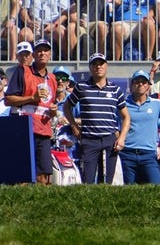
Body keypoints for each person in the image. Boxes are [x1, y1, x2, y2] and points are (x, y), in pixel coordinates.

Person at [64, 53, 129, 184]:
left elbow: (126, 117)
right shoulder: (81, 87)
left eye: (101, 64)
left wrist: (121, 138)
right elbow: (67, 107)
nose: (98, 67)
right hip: (89, 139)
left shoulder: (115, 89)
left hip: (110, 140)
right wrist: (74, 126)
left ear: (106, 66)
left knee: (107, 181)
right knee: (87, 180)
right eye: (95, 64)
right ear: (90, 67)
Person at [4, 38, 61, 184]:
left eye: (45, 50)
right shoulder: (23, 71)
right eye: (39, 50)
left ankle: (41, 205)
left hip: (44, 128)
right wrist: (32, 97)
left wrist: (54, 110)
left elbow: (49, 105)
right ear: (33, 54)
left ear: (50, 54)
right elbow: (8, 99)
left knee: (44, 174)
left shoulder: (53, 79)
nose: (42, 53)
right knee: (23, 173)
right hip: (24, 126)